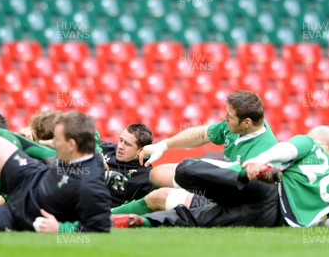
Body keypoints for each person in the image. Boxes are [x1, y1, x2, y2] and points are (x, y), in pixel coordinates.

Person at [111, 126, 329, 229]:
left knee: (172, 180)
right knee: (170, 203)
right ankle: (136, 220)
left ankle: (110, 216)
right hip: (274, 216)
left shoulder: (302, 144)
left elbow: (287, 150)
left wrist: (259, 162)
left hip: (257, 189)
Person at [112, 90, 278, 216]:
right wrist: (163, 145)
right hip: (220, 183)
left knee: (160, 197)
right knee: (158, 174)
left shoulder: (263, 152)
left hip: (236, 202)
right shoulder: (234, 127)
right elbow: (201, 134)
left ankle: (110, 215)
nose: (225, 118)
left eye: (230, 117)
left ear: (247, 122)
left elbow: (247, 193)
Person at [100, 123, 156, 207]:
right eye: (121, 140)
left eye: (127, 144)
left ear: (140, 150)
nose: (120, 146)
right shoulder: (106, 149)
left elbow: (145, 209)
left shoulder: (146, 176)